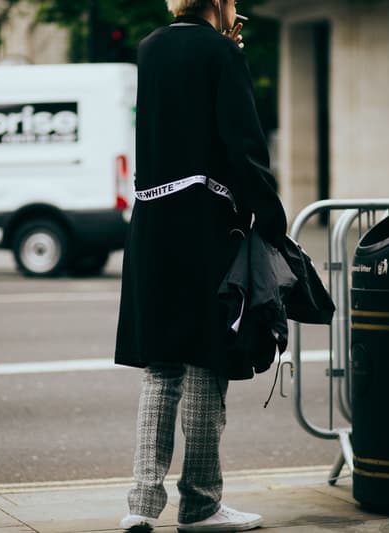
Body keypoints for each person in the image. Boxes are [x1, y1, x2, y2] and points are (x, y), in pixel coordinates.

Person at [114, 0, 288, 531]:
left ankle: (140, 508)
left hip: (151, 224)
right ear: (218, 2)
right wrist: (272, 217)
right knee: (205, 364)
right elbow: (243, 145)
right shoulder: (220, 53)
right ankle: (200, 503)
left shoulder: (149, 49)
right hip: (204, 225)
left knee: (161, 366)